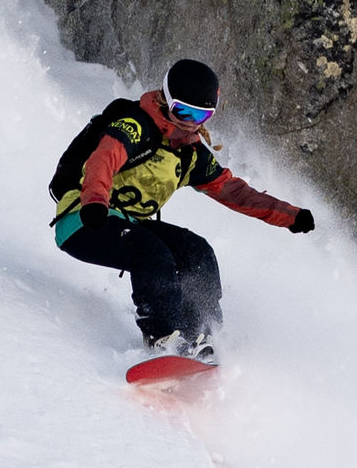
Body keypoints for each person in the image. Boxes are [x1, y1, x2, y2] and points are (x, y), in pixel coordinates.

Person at [50, 59, 315, 364]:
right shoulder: (135, 125)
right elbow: (104, 158)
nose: (190, 123)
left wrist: (290, 215)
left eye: (201, 115)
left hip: (127, 222)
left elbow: (234, 191)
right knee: (152, 253)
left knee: (196, 251)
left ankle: (203, 336)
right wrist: (94, 200)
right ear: (165, 100)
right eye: (183, 112)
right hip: (84, 218)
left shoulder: (189, 153)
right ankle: (163, 339)